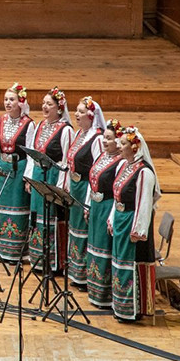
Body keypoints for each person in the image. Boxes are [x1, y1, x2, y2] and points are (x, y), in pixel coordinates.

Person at [108, 127, 160, 322]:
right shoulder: (124, 165)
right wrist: (112, 218)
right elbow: (116, 196)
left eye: (123, 144)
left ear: (134, 147)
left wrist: (138, 230)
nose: (119, 146)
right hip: (120, 221)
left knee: (130, 264)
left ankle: (133, 310)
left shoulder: (144, 172)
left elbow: (144, 204)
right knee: (119, 263)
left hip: (132, 224)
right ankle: (120, 306)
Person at [23, 87, 74, 273]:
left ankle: (53, 262)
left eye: (49, 104)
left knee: (51, 217)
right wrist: (29, 178)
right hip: (38, 176)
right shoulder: (40, 126)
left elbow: (66, 161)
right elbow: (32, 155)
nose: (44, 107)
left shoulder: (66, 130)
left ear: (59, 108)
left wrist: (60, 186)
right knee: (37, 216)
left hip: (53, 178)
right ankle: (38, 259)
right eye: (43, 103)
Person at [0, 82, 34, 264]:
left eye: (11, 99)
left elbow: (31, 154)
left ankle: (16, 253)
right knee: (2, 208)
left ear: (20, 102)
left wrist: (27, 178)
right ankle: (2, 250)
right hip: (2, 169)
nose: (7, 103)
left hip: (18, 170)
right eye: (6, 99)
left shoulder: (29, 124)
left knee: (18, 208)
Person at [65, 96, 106, 286]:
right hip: (75, 188)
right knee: (75, 228)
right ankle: (75, 273)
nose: (76, 114)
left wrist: (89, 199)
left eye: (81, 112)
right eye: (76, 110)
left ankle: (84, 276)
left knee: (83, 229)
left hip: (85, 189)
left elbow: (96, 171)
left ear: (91, 116)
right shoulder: (79, 134)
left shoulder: (98, 139)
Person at [84, 119, 125, 308]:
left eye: (109, 139)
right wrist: (87, 205)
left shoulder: (121, 163)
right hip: (96, 207)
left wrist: (112, 217)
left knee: (104, 248)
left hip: (107, 208)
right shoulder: (101, 156)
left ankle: (105, 295)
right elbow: (91, 182)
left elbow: (118, 193)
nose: (104, 141)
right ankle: (94, 291)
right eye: (104, 138)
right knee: (94, 246)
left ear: (118, 141)